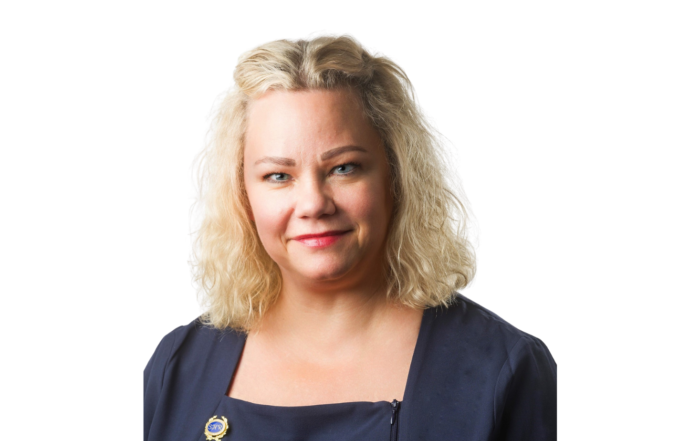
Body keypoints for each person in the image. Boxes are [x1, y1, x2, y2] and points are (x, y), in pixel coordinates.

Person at [144, 35, 556, 441]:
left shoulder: (503, 371)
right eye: (278, 175)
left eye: (344, 168)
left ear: (396, 176)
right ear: (242, 194)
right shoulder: (176, 367)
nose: (313, 204)